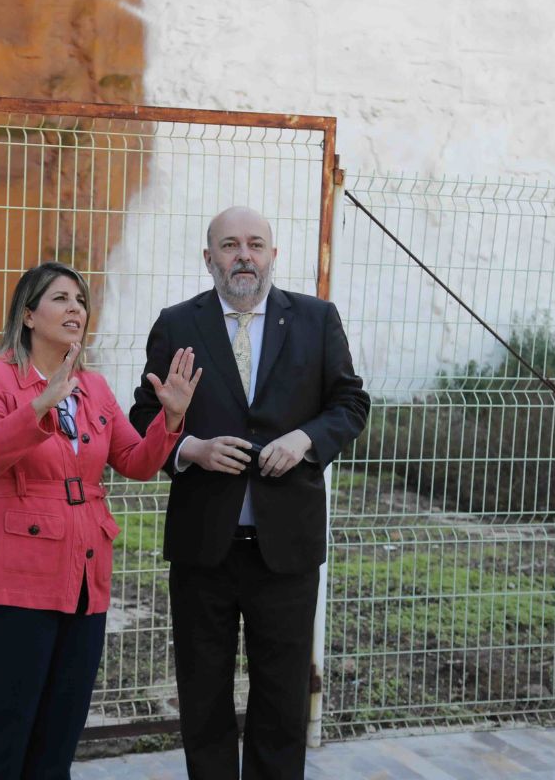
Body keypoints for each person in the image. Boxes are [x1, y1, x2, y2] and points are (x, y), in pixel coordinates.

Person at [130, 207, 370, 779]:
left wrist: (307, 439)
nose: (244, 256)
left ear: (273, 256)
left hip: (284, 547)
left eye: (255, 244)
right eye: (230, 245)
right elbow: (144, 417)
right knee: (203, 696)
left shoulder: (315, 319)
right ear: (208, 257)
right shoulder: (176, 324)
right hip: (203, 547)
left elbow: (350, 404)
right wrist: (192, 449)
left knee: (283, 700)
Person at [0, 261, 201, 779]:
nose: (75, 309)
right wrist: (38, 407)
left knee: (61, 729)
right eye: (60, 299)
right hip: (15, 582)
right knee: (9, 725)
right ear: (28, 314)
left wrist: (172, 419)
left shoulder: (93, 387)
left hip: (84, 578)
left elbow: (137, 462)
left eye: (80, 301)